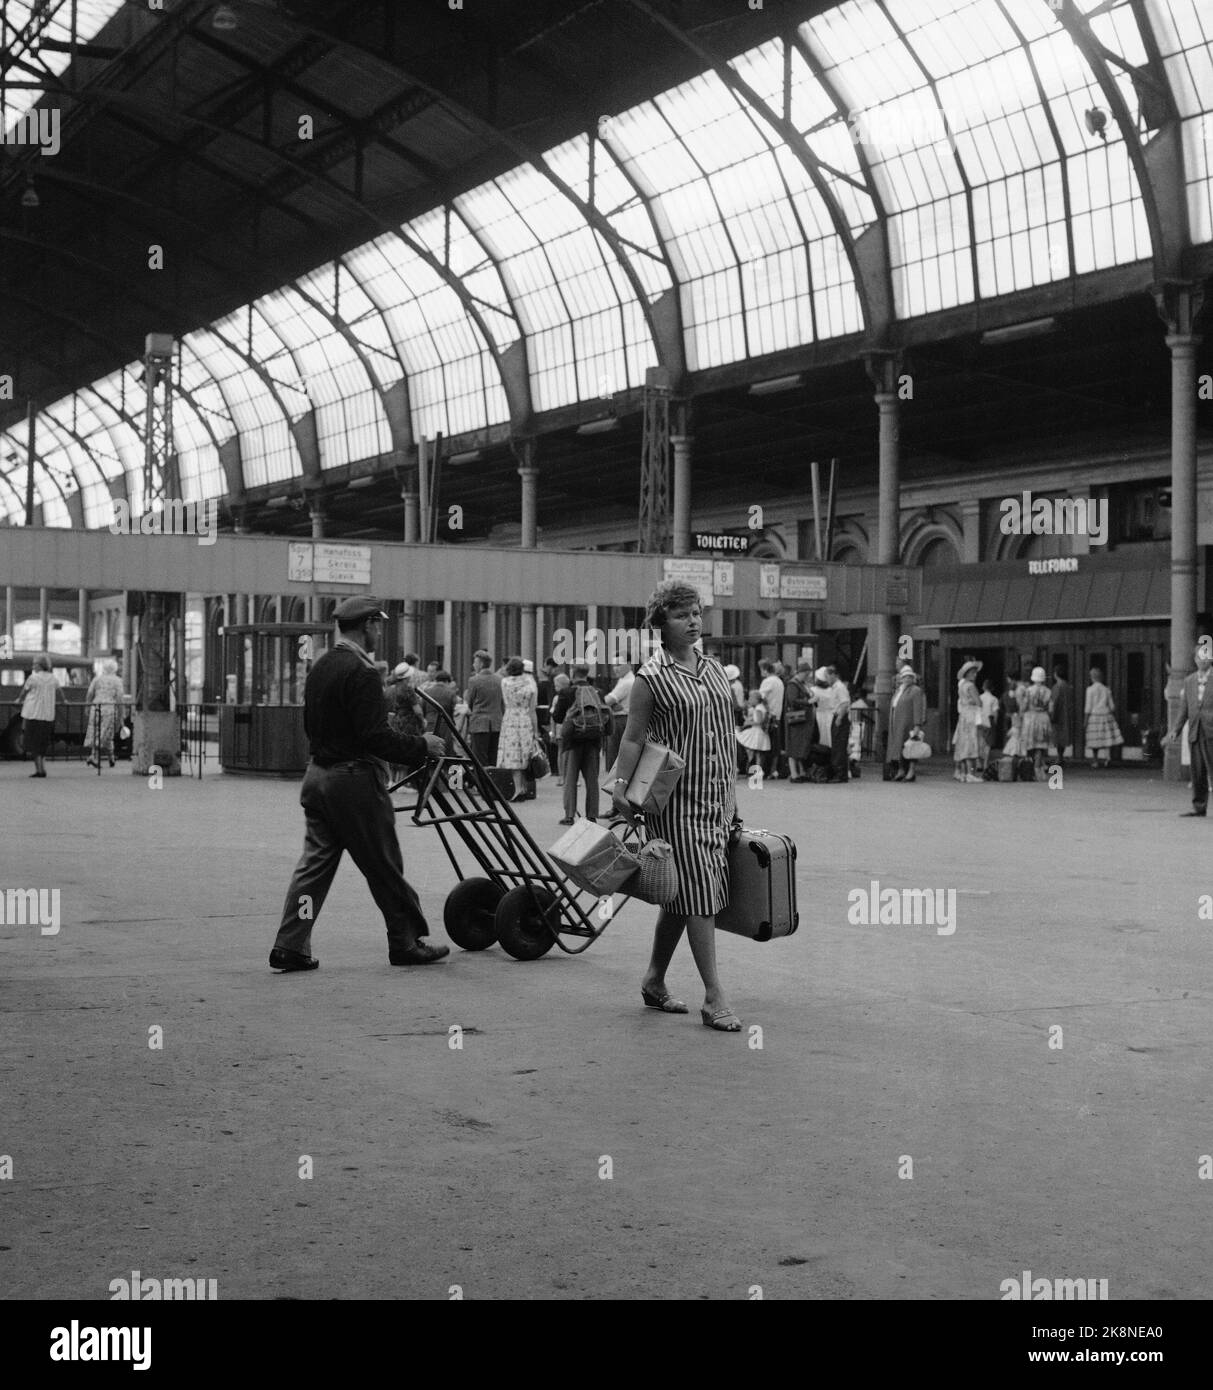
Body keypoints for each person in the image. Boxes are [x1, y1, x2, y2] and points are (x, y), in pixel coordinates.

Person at [270, 596, 449, 972]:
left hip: (316, 777)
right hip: (353, 782)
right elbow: (375, 736)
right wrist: (422, 746)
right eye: (378, 625)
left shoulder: (321, 666)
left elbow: (312, 725)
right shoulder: (363, 672)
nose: (380, 632)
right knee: (383, 861)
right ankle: (405, 941)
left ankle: (290, 944)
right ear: (368, 625)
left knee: (315, 865)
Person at [611, 581, 744, 1033]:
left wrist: (732, 790)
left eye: (696, 613)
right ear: (660, 624)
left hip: (716, 798)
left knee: (679, 894)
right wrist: (621, 791)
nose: (693, 621)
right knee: (702, 893)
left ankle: (653, 979)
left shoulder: (713, 670)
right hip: (675, 802)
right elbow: (632, 738)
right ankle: (714, 997)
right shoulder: (651, 678)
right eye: (681, 614)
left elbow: (725, 733)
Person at [551, 664, 608, 824]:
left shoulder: (567, 692)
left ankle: (569, 816)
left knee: (570, 779)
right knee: (592, 780)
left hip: (572, 742)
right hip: (593, 742)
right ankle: (592, 815)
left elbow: (557, 716)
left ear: (572, 673)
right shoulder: (597, 692)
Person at [1166, 639, 1213, 817]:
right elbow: (1184, 709)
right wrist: (1175, 731)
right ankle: (1199, 806)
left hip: (1212, 730)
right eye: (1199, 657)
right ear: (1194, 659)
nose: (1203, 660)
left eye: (1206, 656)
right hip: (1195, 731)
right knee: (1198, 771)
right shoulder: (1189, 681)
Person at [498, 655, 539, 802]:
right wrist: (536, 731)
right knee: (525, 754)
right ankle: (524, 787)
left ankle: (518, 788)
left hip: (510, 719)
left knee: (512, 756)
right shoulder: (530, 683)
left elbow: (504, 701)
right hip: (525, 719)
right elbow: (533, 709)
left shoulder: (504, 682)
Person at [15, 654, 58, 778]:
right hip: (48, 715)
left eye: (34, 664)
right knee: (42, 743)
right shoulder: (53, 678)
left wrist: (19, 699)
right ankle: (42, 768)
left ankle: (39, 770)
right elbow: (59, 691)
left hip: (33, 714)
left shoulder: (33, 678)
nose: (33, 666)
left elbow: (24, 691)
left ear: (39, 666)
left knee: (33, 743)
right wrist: (65, 700)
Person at [84, 658, 127, 769]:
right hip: (109, 709)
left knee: (97, 732)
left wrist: (87, 707)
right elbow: (119, 698)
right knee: (106, 733)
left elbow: (89, 693)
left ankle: (110, 757)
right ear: (115, 669)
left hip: (96, 707)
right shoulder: (117, 681)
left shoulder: (97, 679)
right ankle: (95, 757)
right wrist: (121, 714)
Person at [464, 649, 503, 766]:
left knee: (479, 758)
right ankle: (492, 782)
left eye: (475, 662)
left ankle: (481, 783)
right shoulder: (499, 679)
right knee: (493, 756)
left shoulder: (474, 680)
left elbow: (469, 703)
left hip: (479, 724)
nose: (473, 665)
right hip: (496, 723)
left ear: (480, 664)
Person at [889, 667, 927, 782]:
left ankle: (911, 771)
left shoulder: (915, 690)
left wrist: (917, 724)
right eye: (905, 676)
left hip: (909, 723)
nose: (907, 678)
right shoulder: (899, 690)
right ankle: (901, 770)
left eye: (910, 676)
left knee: (912, 747)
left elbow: (918, 708)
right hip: (898, 723)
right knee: (900, 746)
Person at [783, 659, 815, 781]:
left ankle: (800, 772)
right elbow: (792, 700)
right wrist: (808, 701)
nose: (807, 677)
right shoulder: (793, 684)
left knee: (799, 746)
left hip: (801, 720)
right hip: (796, 720)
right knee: (794, 746)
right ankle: (794, 773)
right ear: (802, 673)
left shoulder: (800, 684)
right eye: (806, 674)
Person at [951, 658, 983, 782]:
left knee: (962, 743)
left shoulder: (962, 685)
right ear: (967, 674)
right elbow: (979, 702)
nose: (975, 674)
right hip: (971, 715)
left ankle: (962, 772)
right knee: (971, 743)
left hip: (963, 715)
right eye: (973, 672)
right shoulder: (970, 686)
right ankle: (971, 773)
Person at [1084, 667, 1123, 769]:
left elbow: (1088, 707)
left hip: (1094, 716)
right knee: (1107, 738)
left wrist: (1085, 721)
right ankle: (1107, 759)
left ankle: (1095, 761)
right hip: (1106, 716)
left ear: (1092, 677)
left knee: (1094, 740)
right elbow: (1112, 706)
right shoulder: (1106, 689)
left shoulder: (1090, 690)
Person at [1021, 666, 1054, 777]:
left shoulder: (1028, 691)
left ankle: (1029, 768)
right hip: (1043, 718)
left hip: (1030, 717)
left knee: (1030, 744)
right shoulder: (1048, 692)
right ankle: (1037, 767)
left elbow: (1024, 706)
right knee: (1040, 745)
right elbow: (1051, 709)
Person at [603, 662, 635, 771]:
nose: (615, 668)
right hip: (625, 719)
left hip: (620, 720)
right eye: (613, 665)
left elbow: (606, 701)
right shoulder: (624, 680)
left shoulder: (627, 682)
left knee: (615, 755)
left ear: (629, 664)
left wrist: (611, 704)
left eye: (619, 664)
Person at [758, 658, 785, 778]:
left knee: (763, 745)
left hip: (767, 717)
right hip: (777, 716)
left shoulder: (768, 681)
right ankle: (774, 770)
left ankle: (762, 770)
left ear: (765, 670)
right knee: (775, 745)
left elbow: (761, 697)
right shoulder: (779, 681)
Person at [419, 668, 458, 753]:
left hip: (430, 723)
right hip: (445, 725)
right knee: (444, 750)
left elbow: (422, 708)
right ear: (447, 681)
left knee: (431, 751)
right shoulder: (451, 693)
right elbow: (453, 710)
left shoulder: (427, 691)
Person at [735, 690, 771, 773]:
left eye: (751, 698)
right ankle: (757, 770)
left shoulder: (758, 708)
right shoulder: (761, 707)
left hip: (757, 732)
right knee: (758, 753)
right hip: (759, 732)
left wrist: (748, 722)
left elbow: (759, 721)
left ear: (756, 699)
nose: (750, 700)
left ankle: (756, 769)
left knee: (757, 751)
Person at [1050, 665, 1071, 768]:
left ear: (1056, 674)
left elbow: (1054, 702)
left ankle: (1059, 757)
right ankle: (1061, 756)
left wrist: (1052, 715)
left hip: (1058, 714)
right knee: (1063, 735)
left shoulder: (1057, 687)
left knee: (1058, 735)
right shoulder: (1067, 686)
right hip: (1066, 713)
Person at [979, 678, 1000, 770]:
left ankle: (979, 763)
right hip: (989, 720)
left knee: (980, 742)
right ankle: (985, 764)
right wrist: (995, 722)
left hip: (980, 720)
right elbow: (995, 713)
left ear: (983, 687)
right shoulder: (994, 699)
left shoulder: (979, 697)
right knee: (988, 744)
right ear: (993, 688)